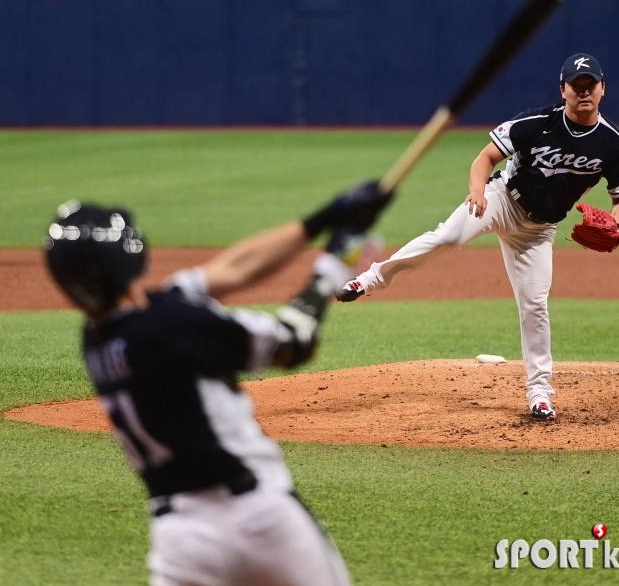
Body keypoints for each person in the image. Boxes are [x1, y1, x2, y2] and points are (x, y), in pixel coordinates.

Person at [42, 181, 392, 586]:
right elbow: (295, 343)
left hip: (182, 542)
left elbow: (235, 267)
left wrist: (327, 216)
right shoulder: (173, 325)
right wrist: (334, 265)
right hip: (262, 522)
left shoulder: (100, 339)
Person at [336, 53, 619, 422]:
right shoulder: (536, 122)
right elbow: (486, 156)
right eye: (575, 87)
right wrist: (478, 191)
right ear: (563, 90)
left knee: (535, 305)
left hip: (539, 231)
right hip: (500, 201)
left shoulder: (613, 144)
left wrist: (618, 224)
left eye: (590, 86)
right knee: (448, 235)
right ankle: (371, 278)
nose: (583, 93)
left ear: (603, 89)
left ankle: (540, 394)